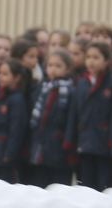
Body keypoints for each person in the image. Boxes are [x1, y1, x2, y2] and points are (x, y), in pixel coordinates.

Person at [67, 41, 112, 190]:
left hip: (104, 144)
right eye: (89, 57)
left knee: (103, 186)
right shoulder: (82, 83)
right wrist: (70, 140)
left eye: (96, 57)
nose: (91, 61)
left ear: (106, 61)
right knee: (85, 185)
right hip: (84, 142)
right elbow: (74, 114)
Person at [27, 48, 76, 187]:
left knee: (58, 184)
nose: (53, 69)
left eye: (58, 66)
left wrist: (66, 141)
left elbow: (71, 120)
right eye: (50, 65)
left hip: (59, 144)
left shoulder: (70, 91)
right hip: (41, 144)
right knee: (40, 182)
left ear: (67, 69)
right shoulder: (43, 88)